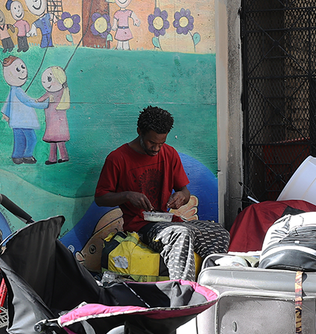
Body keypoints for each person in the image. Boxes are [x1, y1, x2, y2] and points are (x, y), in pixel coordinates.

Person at [95, 106, 229, 281]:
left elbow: (184, 191)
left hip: (168, 222)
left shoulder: (170, 154)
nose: (157, 148)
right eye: (152, 143)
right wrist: (127, 195)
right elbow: (100, 198)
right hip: (140, 226)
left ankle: (211, 282)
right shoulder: (117, 158)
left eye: (161, 143)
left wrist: (181, 197)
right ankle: (181, 291)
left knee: (219, 232)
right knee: (180, 234)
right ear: (139, 132)